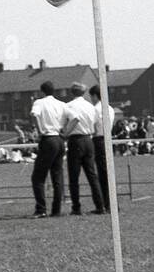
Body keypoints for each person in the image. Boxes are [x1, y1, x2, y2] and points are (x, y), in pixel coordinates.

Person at [61, 83, 105, 215]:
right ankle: (100, 205)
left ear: (71, 92)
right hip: (89, 139)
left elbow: (65, 123)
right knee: (92, 175)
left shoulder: (68, 106)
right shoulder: (91, 107)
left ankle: (76, 207)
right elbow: (96, 125)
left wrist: (65, 133)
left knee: (74, 176)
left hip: (75, 140)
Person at [29, 81, 67, 219]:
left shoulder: (39, 102)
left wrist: (40, 131)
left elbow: (34, 115)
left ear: (42, 91)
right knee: (57, 175)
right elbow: (71, 117)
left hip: (48, 139)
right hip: (59, 138)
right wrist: (64, 130)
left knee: (38, 177)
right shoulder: (61, 104)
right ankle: (56, 210)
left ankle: (41, 209)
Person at [88, 84, 115, 212]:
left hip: (98, 140)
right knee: (107, 172)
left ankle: (107, 204)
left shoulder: (95, 109)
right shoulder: (110, 108)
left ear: (94, 96)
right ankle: (110, 203)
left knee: (102, 173)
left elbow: (92, 127)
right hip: (107, 139)